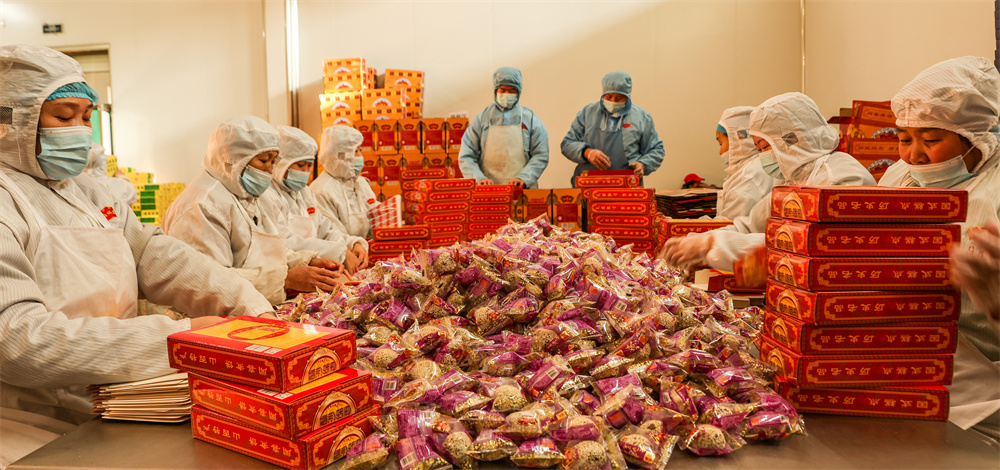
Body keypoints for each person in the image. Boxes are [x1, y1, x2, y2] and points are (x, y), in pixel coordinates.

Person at [0, 45, 272, 465]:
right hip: (34, 423)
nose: (80, 131)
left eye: (86, 117)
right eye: (64, 117)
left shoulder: (91, 192)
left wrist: (250, 306)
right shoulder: (6, 200)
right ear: (10, 121)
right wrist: (179, 340)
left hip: (117, 399)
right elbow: (18, 341)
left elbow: (156, 255)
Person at [876, 56, 1000, 443]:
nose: (914, 155)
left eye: (930, 141)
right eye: (904, 139)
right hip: (898, 356)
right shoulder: (899, 176)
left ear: (975, 136)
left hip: (981, 384)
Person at [658, 92, 875, 270]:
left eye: (765, 147)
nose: (763, 157)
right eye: (759, 149)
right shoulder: (791, 180)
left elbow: (802, 246)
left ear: (793, 139)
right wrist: (699, 241)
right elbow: (751, 226)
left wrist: (712, 244)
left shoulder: (840, 178)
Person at [162, 116, 345, 306]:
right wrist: (285, 280)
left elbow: (269, 252)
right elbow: (209, 281)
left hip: (251, 306)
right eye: (263, 160)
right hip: (206, 317)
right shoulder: (204, 204)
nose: (269, 170)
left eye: (273, 161)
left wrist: (306, 261)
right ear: (233, 159)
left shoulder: (255, 195)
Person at [262, 125, 369, 274]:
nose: (305, 172)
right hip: (290, 274)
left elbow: (325, 229)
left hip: (317, 270)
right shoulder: (267, 195)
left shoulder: (304, 193)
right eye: (300, 165)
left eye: (309, 166)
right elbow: (286, 242)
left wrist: (352, 243)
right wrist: (338, 251)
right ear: (281, 162)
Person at [561, 71, 664, 186]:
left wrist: (643, 164)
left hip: (627, 186)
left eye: (619, 98)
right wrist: (587, 152)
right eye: (609, 97)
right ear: (603, 93)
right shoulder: (588, 113)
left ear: (627, 97)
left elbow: (656, 149)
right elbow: (567, 144)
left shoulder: (641, 118)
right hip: (588, 184)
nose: (613, 101)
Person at [457, 66, 549, 189]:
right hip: (489, 190)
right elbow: (466, 154)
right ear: (496, 90)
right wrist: (479, 178)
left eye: (512, 91)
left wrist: (524, 177)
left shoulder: (531, 119)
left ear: (519, 91)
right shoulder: (482, 119)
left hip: (522, 190)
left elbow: (541, 154)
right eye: (503, 90)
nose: (507, 95)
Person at [310, 125, 380, 239]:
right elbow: (331, 233)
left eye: (360, 150)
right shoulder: (320, 190)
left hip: (365, 247)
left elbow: (374, 215)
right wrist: (356, 244)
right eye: (355, 151)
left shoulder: (360, 182)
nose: (360, 156)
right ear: (340, 156)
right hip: (343, 249)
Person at [714, 106, 775, 219]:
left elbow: (733, 222)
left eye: (721, 144)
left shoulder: (751, 174)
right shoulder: (749, 169)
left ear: (736, 140)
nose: (720, 151)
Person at [84, 142, 138, 206]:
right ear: (103, 161)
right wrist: (121, 176)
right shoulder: (120, 185)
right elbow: (132, 193)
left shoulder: (77, 187)